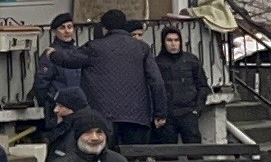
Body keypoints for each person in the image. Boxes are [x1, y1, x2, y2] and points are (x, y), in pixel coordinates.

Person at [75, 9, 168, 151]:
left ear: (105, 28)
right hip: (137, 118)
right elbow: (157, 82)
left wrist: (52, 54)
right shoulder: (142, 48)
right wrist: (160, 113)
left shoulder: (95, 47)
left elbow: (69, 59)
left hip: (105, 117)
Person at [152, 25, 210, 150]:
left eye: (176, 40)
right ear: (163, 42)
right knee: (167, 155)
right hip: (167, 116)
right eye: (169, 40)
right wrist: (157, 113)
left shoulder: (191, 60)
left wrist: (197, 109)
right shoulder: (156, 63)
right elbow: (152, 89)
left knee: (195, 154)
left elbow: (203, 86)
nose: (173, 44)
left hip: (188, 113)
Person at [30, 15, 91, 131]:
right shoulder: (50, 54)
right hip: (58, 108)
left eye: (70, 27)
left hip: (78, 107)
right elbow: (41, 84)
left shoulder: (78, 53)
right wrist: (49, 104)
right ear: (54, 31)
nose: (67, 31)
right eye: (62, 28)